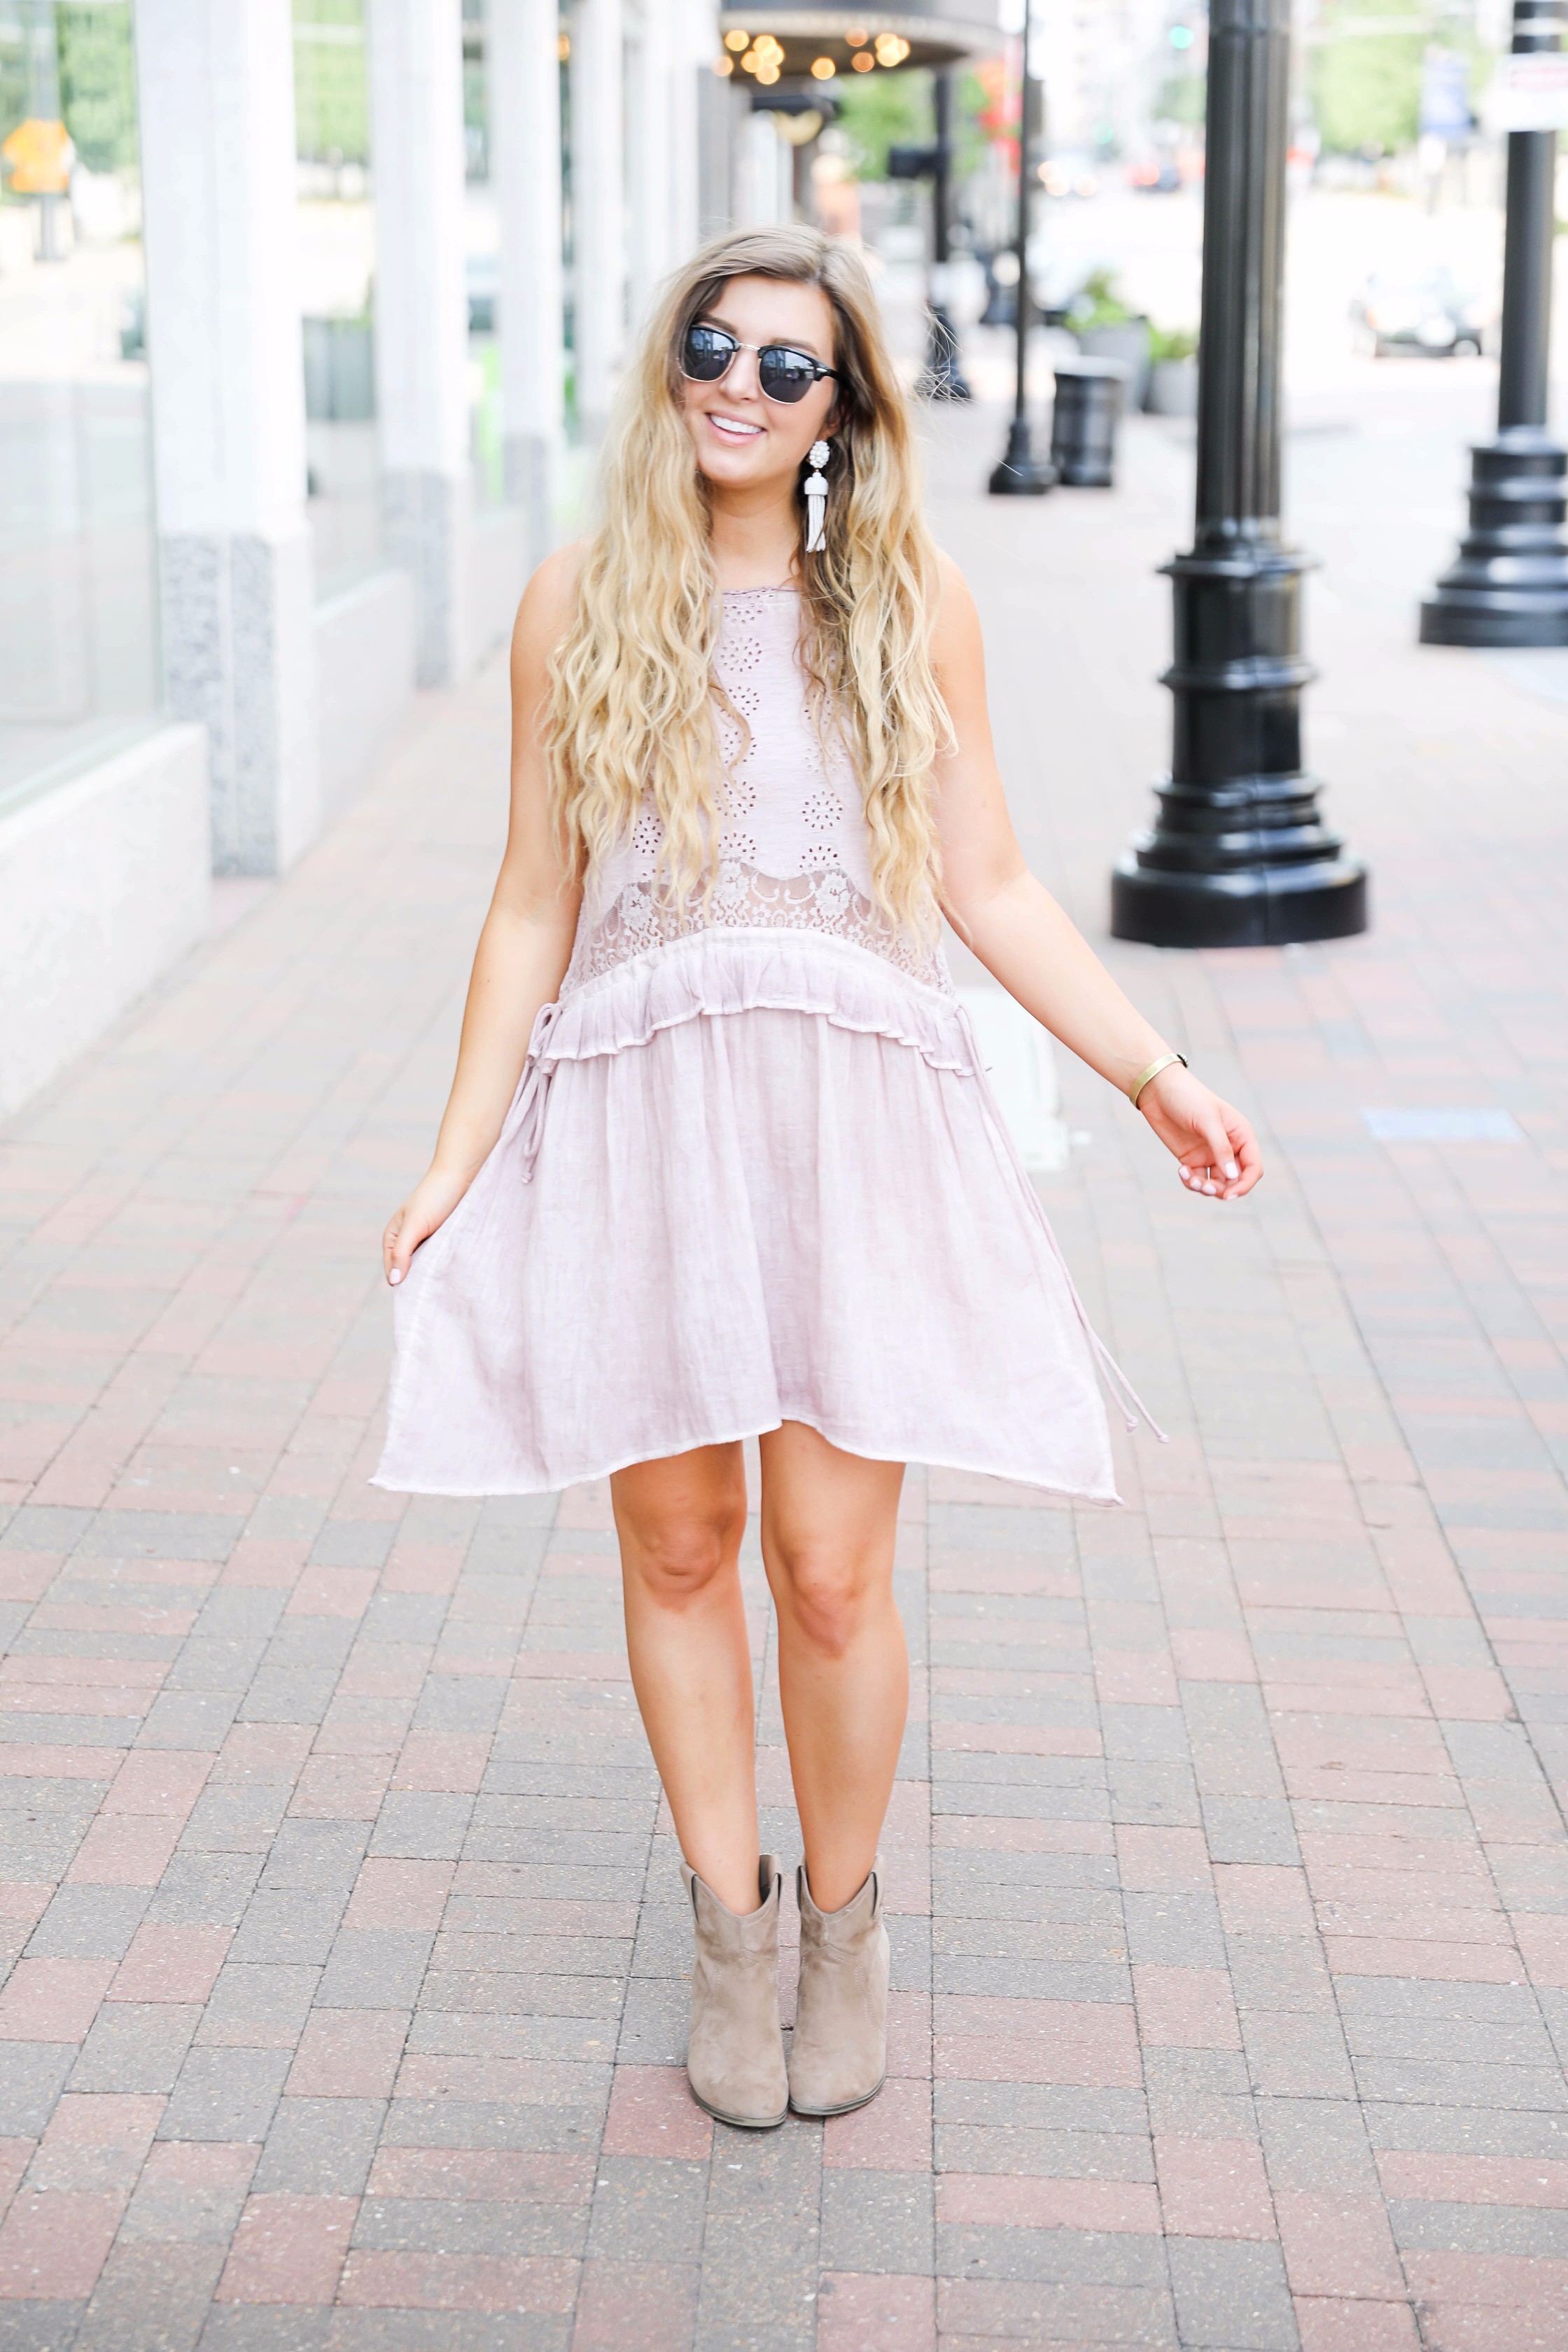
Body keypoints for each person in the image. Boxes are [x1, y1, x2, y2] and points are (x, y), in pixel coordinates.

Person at [374, 226, 1261, 2132]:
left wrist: (1153, 1072)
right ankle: (731, 1928)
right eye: (716, 341)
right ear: (668, 354)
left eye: (791, 365)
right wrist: (455, 1155)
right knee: (678, 1543)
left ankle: (846, 1928)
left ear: (843, 406)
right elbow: (532, 900)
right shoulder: (574, 602)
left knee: (833, 1569)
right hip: (637, 1118)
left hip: (851, 1124)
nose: (741, 385)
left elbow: (992, 882)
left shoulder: (906, 601)